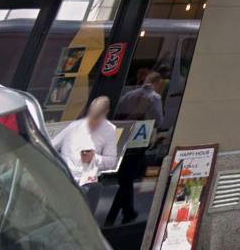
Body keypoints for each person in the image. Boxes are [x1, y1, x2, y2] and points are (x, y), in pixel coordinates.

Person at [105, 71, 167, 227]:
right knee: (127, 178)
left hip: (124, 137)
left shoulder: (128, 96)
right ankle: (117, 216)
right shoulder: (155, 98)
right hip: (141, 139)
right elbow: (159, 121)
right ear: (157, 83)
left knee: (125, 178)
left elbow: (117, 114)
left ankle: (125, 213)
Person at [50, 96, 121, 209]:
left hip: (87, 184)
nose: (93, 121)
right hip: (64, 180)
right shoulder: (74, 126)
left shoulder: (109, 130)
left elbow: (111, 161)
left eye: (97, 118)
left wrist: (94, 158)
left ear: (106, 113)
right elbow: (51, 146)